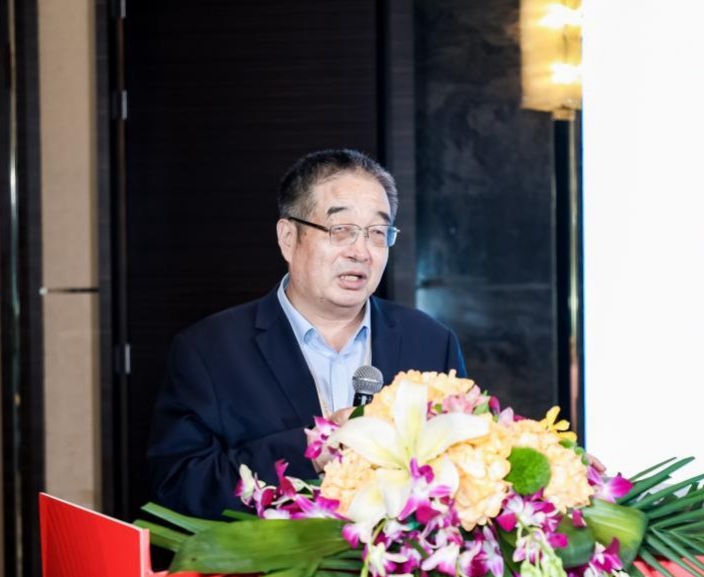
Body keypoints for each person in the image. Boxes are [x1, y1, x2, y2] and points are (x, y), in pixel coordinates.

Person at [147, 149, 467, 519]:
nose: (361, 251)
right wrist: (313, 449)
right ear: (288, 238)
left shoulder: (431, 343)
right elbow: (177, 487)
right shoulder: (209, 351)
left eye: (378, 233)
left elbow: (465, 474)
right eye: (341, 230)